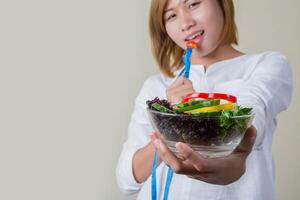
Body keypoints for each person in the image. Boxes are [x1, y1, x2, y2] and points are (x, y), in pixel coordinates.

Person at [116, 0, 293, 199]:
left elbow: (251, 112)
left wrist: (235, 159)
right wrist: (169, 118)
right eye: (171, 16)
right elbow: (127, 180)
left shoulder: (266, 66)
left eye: (193, 4)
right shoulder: (155, 86)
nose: (185, 23)